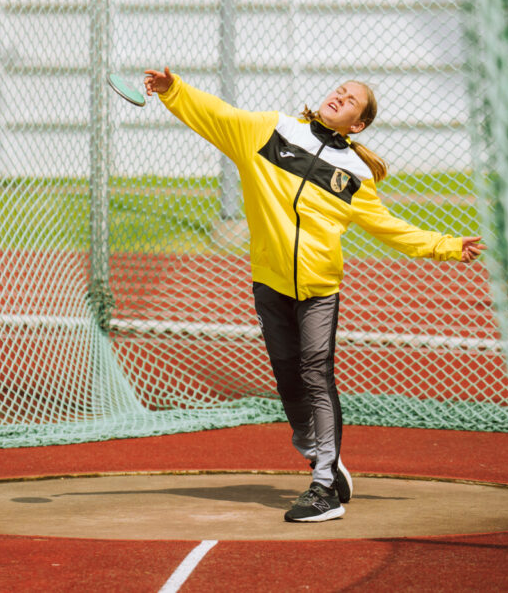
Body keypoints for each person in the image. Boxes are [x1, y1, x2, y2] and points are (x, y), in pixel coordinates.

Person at [143, 67, 486, 523]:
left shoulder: (357, 175)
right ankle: (320, 454)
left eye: (351, 101)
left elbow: (390, 229)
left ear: (357, 125)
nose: (340, 97)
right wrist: (175, 89)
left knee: (315, 375)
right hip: (269, 282)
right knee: (288, 382)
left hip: (319, 289)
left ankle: (324, 487)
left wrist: (445, 245)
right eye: (339, 91)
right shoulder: (270, 130)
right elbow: (216, 114)